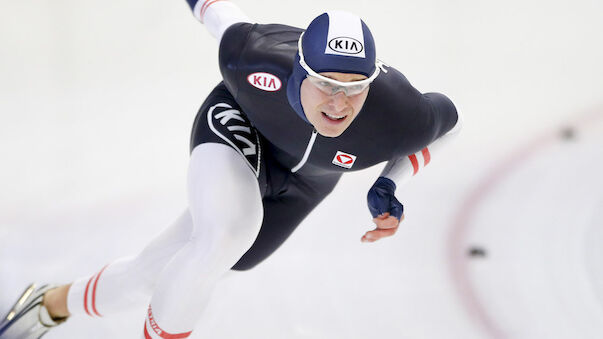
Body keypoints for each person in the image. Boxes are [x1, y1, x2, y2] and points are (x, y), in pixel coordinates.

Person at [0, 1, 461, 338]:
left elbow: (448, 126)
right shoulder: (255, 55)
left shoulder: (399, 113)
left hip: (304, 184)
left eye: (355, 88)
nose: (338, 104)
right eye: (323, 84)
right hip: (238, 128)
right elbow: (218, 15)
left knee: (156, 272)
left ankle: (47, 305)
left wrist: (389, 181)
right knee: (228, 234)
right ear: (298, 71)